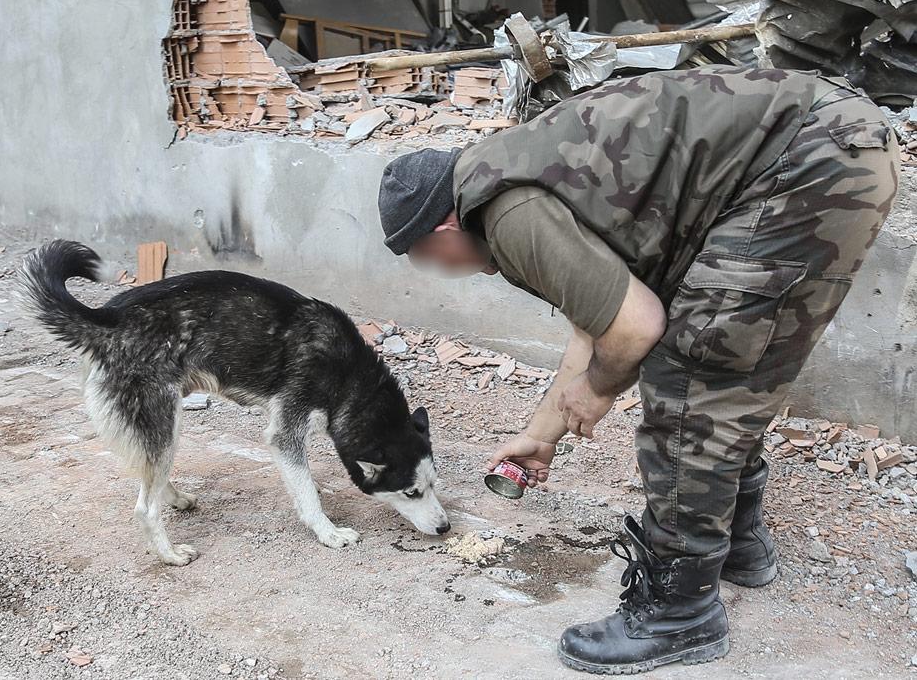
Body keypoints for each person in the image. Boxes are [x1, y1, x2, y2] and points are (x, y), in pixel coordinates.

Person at [376, 66, 899, 674]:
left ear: (442, 227)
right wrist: (541, 436)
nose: (435, 271)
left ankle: (680, 612)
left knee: (691, 382)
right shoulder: (503, 179)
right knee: (731, 367)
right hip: (830, 143)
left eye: (424, 258)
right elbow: (598, 320)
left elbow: (633, 330)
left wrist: (598, 391)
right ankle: (736, 545)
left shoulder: (506, 213)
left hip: (805, 159)